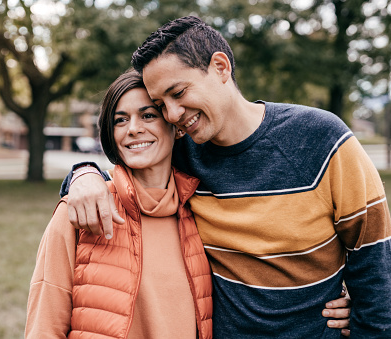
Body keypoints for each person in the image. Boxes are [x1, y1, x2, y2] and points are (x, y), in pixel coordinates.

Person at [61, 16, 391, 338]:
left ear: (221, 67)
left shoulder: (321, 138)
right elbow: (127, 176)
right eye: (160, 104)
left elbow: (375, 266)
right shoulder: (183, 151)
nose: (173, 115)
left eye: (178, 93)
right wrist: (82, 174)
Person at [25, 70, 213, 338]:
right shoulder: (77, 211)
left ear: (176, 126)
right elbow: (44, 328)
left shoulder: (202, 211)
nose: (133, 128)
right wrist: (84, 172)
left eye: (148, 115)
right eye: (120, 120)